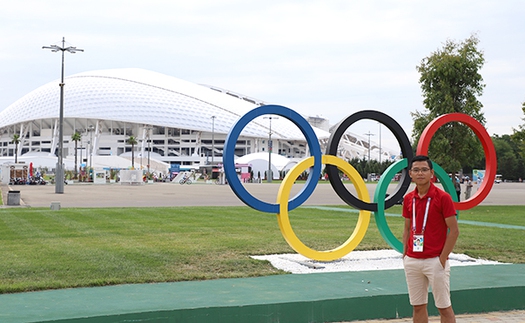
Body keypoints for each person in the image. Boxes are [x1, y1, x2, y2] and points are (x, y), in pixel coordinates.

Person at [402, 155, 460, 323]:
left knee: (444, 307)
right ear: (410, 174)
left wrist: (442, 258)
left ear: (432, 173)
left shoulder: (443, 198)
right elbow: (406, 228)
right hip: (413, 260)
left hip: (435, 260)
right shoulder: (408, 199)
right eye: (416, 170)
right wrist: (405, 254)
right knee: (418, 306)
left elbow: (454, 230)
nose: (420, 173)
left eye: (424, 170)